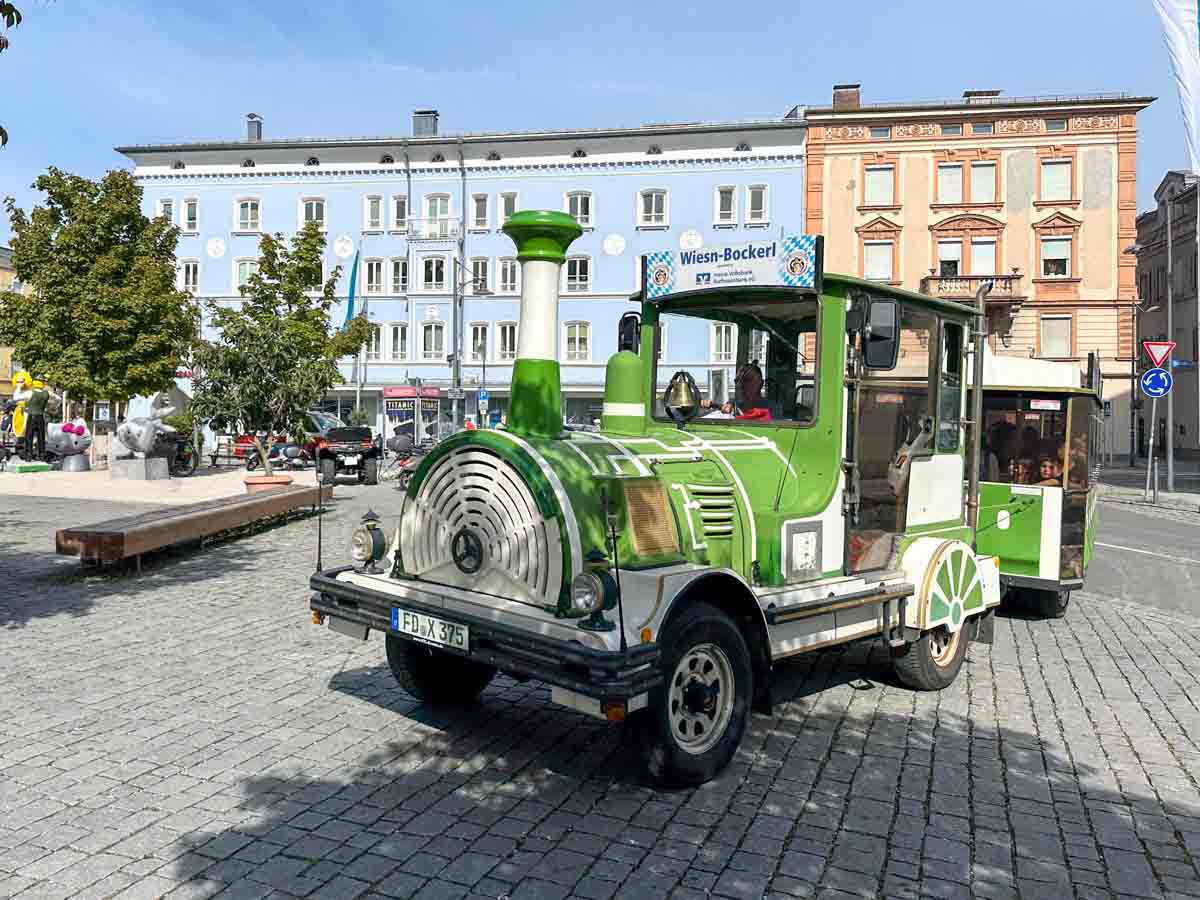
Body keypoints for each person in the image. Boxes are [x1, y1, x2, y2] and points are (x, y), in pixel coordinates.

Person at [24, 378, 49, 460]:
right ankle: (42, 455)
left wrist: (19, 386)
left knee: (29, 436)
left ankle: (28, 455)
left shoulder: (30, 392)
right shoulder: (46, 393)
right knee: (41, 437)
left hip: (31, 415)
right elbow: (58, 399)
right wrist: (51, 407)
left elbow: (16, 397)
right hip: (40, 416)